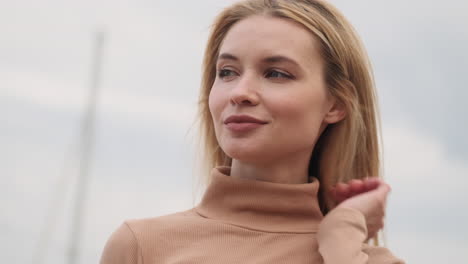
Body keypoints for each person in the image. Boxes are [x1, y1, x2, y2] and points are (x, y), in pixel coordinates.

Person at [100, 0, 404, 263]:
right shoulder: (140, 246)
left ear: (336, 104)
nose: (240, 92)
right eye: (227, 72)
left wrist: (342, 231)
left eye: (276, 73)